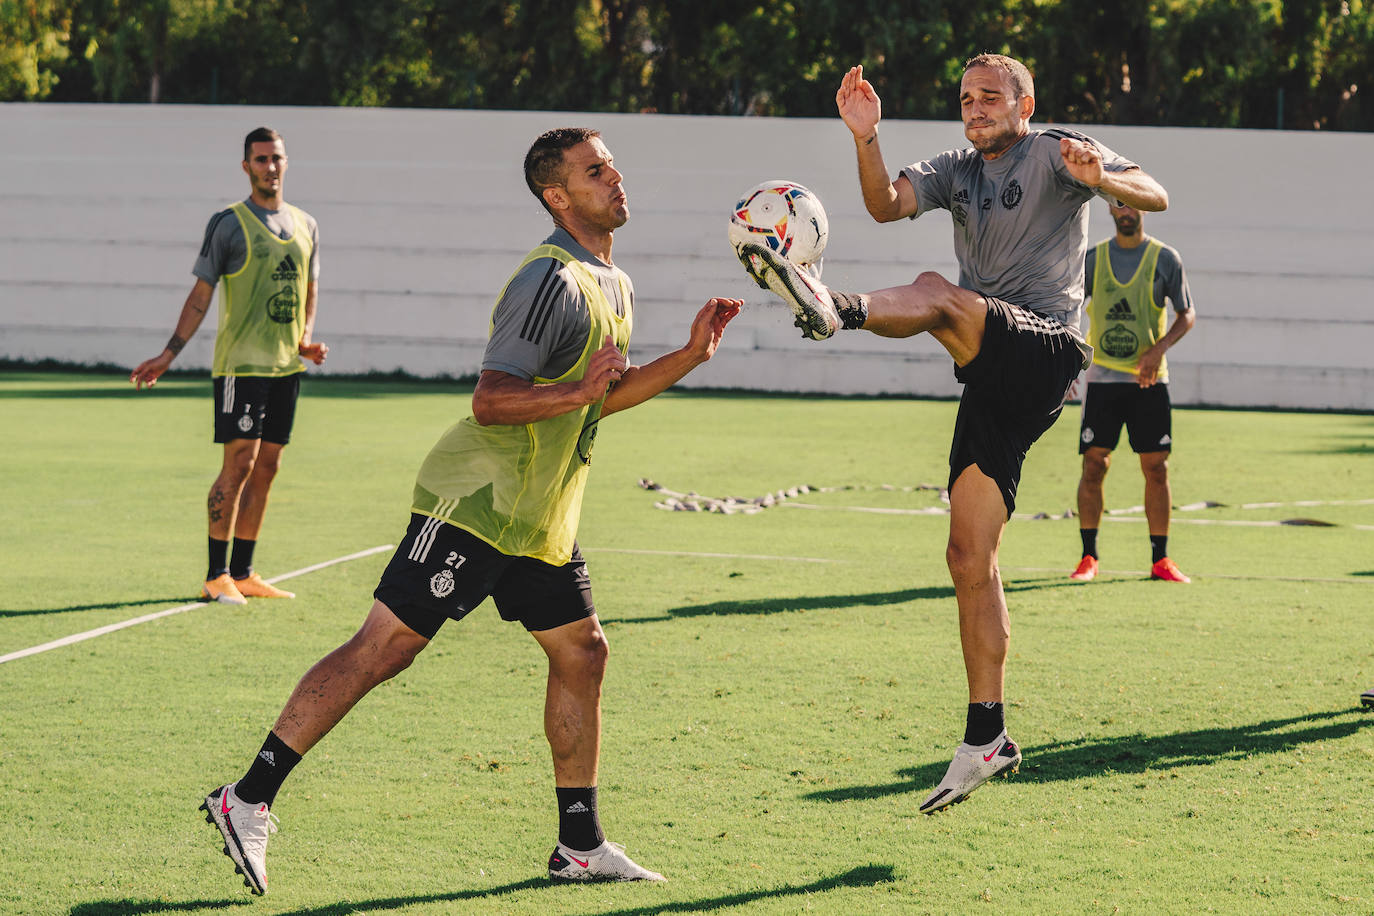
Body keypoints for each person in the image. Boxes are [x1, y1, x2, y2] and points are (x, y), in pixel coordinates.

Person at [199, 127, 741, 894]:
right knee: (383, 649)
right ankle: (245, 798)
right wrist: (577, 392)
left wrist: (688, 356)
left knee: (583, 652)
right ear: (558, 196)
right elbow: (492, 400)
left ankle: (578, 846)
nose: (615, 178)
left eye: (612, 165)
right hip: (478, 504)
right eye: (595, 170)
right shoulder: (548, 281)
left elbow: (597, 403)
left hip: (539, 518)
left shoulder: (611, 281)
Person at [735, 55, 1168, 814]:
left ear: (1025, 102)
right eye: (967, 99)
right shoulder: (955, 168)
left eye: (992, 97)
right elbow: (883, 206)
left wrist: (1102, 175)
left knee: (938, 293)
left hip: (1047, 345)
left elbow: (1156, 194)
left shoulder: (1058, 148)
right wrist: (865, 137)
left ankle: (835, 306)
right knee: (969, 554)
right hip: (990, 368)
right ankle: (987, 736)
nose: (976, 109)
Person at [131, 127, 328, 606]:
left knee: (268, 467)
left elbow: (309, 289)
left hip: (285, 369)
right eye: (260, 160)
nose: (270, 167)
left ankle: (243, 572)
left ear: (286, 163)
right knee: (239, 463)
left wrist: (303, 339)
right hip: (242, 367)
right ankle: (215, 574)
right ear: (246, 167)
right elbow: (201, 296)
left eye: (277, 158)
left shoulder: (307, 225)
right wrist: (168, 354)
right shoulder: (228, 224)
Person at [1069, 201, 1196, 584]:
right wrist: (1070, 358)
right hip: (1104, 381)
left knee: (1156, 468)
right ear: (1110, 208)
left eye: (1132, 204)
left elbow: (1186, 313)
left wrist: (1158, 350)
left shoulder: (1165, 259)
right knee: (1094, 465)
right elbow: (1068, 307)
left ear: (1142, 208)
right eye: (1118, 203)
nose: (1126, 210)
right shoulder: (1093, 260)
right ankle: (1088, 556)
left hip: (1149, 382)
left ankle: (1161, 559)